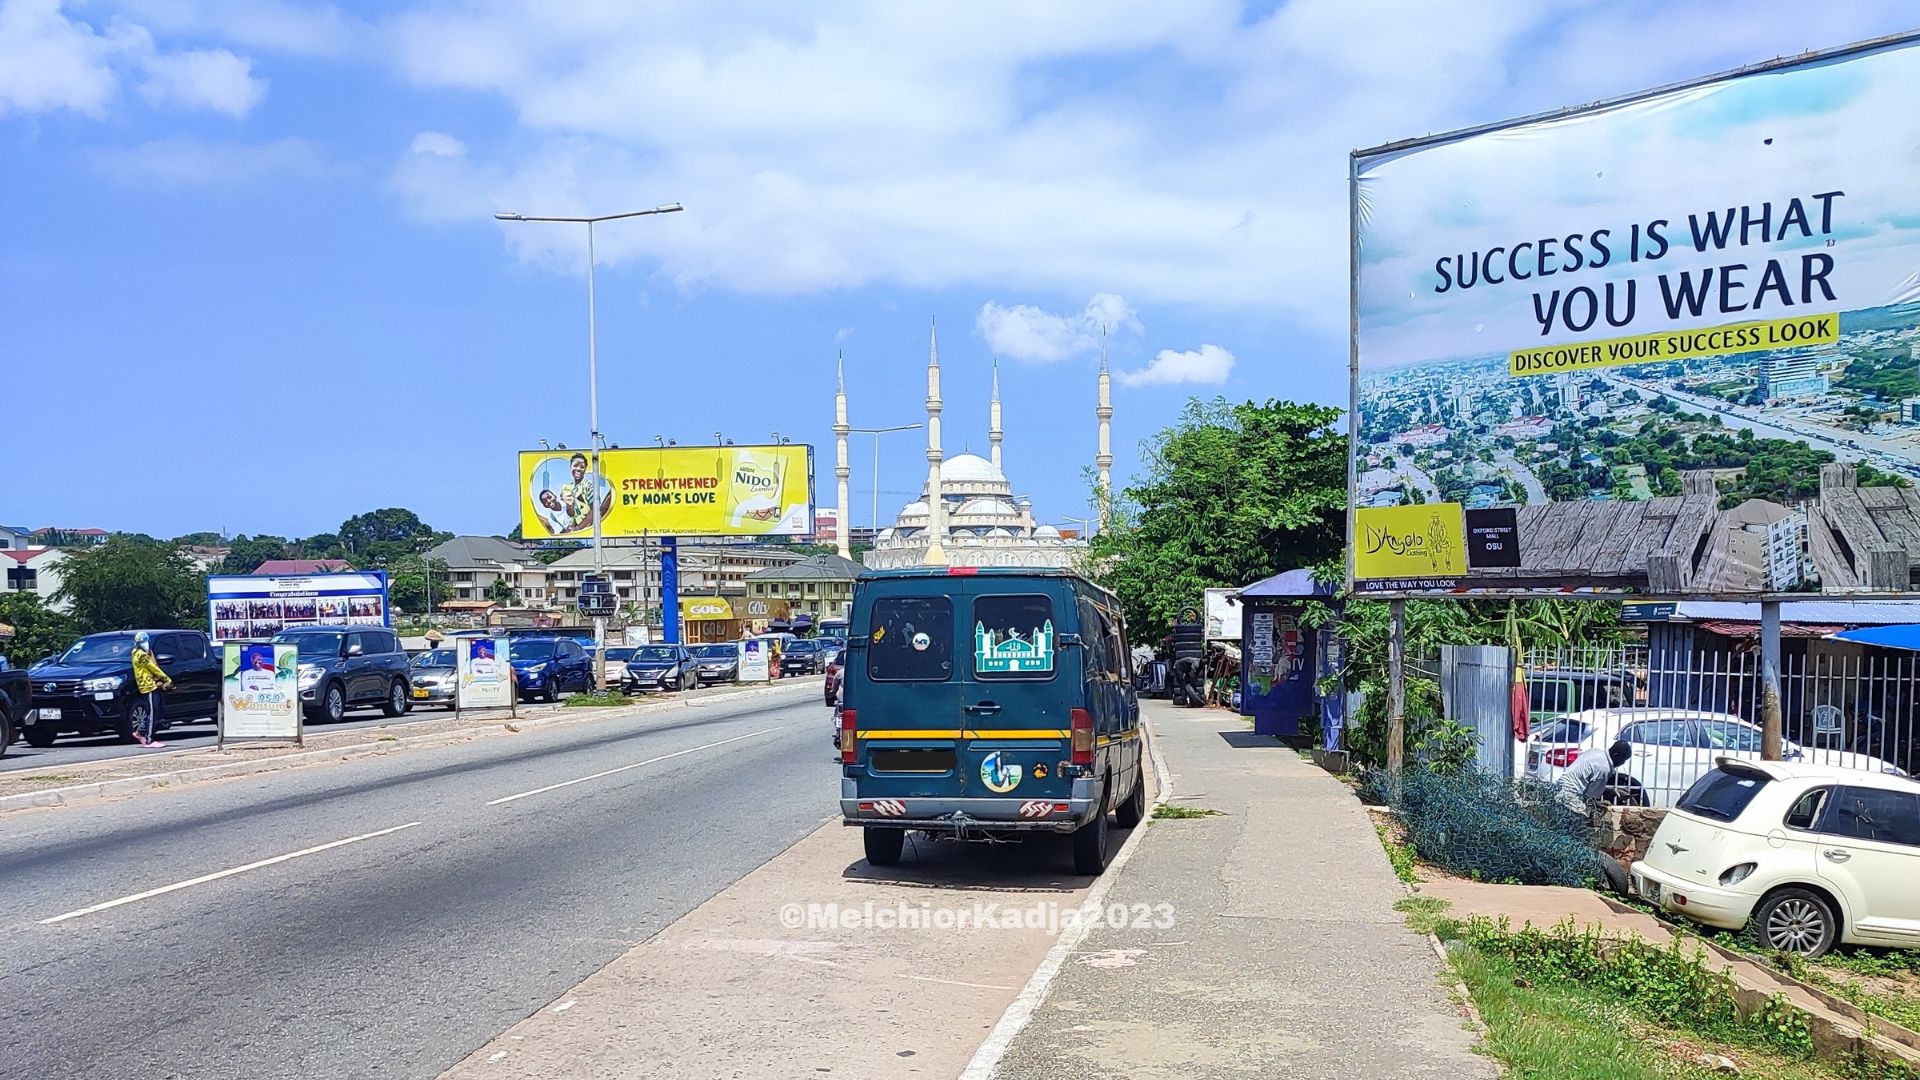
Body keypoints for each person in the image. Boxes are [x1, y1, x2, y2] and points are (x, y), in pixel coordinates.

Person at [130, 631, 174, 747]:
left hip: (149, 684)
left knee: (152, 711)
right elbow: (153, 667)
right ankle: (149, 740)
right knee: (153, 712)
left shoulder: (138, 653)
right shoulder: (141, 655)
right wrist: (166, 679)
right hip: (148, 685)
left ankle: (140, 732)